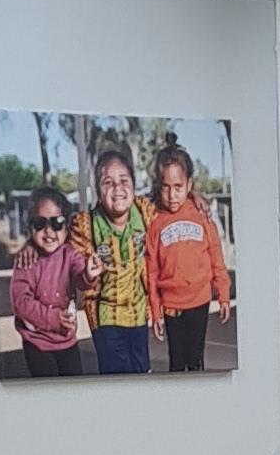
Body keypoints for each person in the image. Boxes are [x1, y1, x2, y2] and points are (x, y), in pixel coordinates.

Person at [148, 138, 230, 373]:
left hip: (199, 301)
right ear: (158, 185)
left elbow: (216, 256)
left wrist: (223, 294)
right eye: (166, 187)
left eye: (178, 187)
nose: (172, 195)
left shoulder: (201, 215)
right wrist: (155, 310)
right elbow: (151, 270)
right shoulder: (154, 221)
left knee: (196, 360)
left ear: (189, 185)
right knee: (177, 361)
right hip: (171, 305)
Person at [81, 140, 155, 375]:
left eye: (124, 180)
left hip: (138, 314)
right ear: (98, 191)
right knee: (115, 378)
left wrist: (195, 195)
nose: (117, 188)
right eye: (108, 182)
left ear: (134, 185)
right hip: (106, 317)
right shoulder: (85, 224)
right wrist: (86, 274)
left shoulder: (145, 210)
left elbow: (174, 201)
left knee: (141, 373)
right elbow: (69, 266)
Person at [4, 184, 88, 376]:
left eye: (57, 222)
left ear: (66, 227)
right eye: (40, 223)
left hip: (67, 340)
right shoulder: (27, 260)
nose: (49, 231)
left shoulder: (71, 255)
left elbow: (81, 278)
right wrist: (52, 319)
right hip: (37, 343)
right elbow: (20, 302)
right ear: (30, 227)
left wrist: (89, 275)